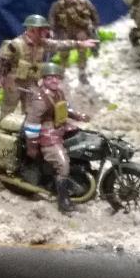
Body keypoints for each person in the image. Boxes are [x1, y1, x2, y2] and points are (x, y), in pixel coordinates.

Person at [0, 15, 97, 121]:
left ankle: (26, 129)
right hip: (14, 82)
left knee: (30, 110)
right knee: (8, 109)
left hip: (31, 82)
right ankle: (1, 127)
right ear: (32, 30)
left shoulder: (42, 43)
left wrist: (80, 44)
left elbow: (59, 44)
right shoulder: (16, 44)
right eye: (42, 29)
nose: (46, 32)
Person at [22, 62, 89, 214]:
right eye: (50, 78)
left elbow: (64, 108)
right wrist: (32, 146)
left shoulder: (58, 93)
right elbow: (32, 124)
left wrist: (78, 115)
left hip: (60, 127)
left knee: (82, 141)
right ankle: (63, 200)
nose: (54, 80)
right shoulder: (40, 99)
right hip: (47, 133)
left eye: (56, 77)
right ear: (44, 79)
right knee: (63, 164)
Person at [48, 0, 100, 85]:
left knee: (82, 51)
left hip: (80, 31)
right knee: (64, 52)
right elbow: (52, 18)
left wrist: (95, 26)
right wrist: (51, 30)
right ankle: (62, 71)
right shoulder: (57, 6)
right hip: (65, 31)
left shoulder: (83, 2)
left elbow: (94, 13)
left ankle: (82, 72)